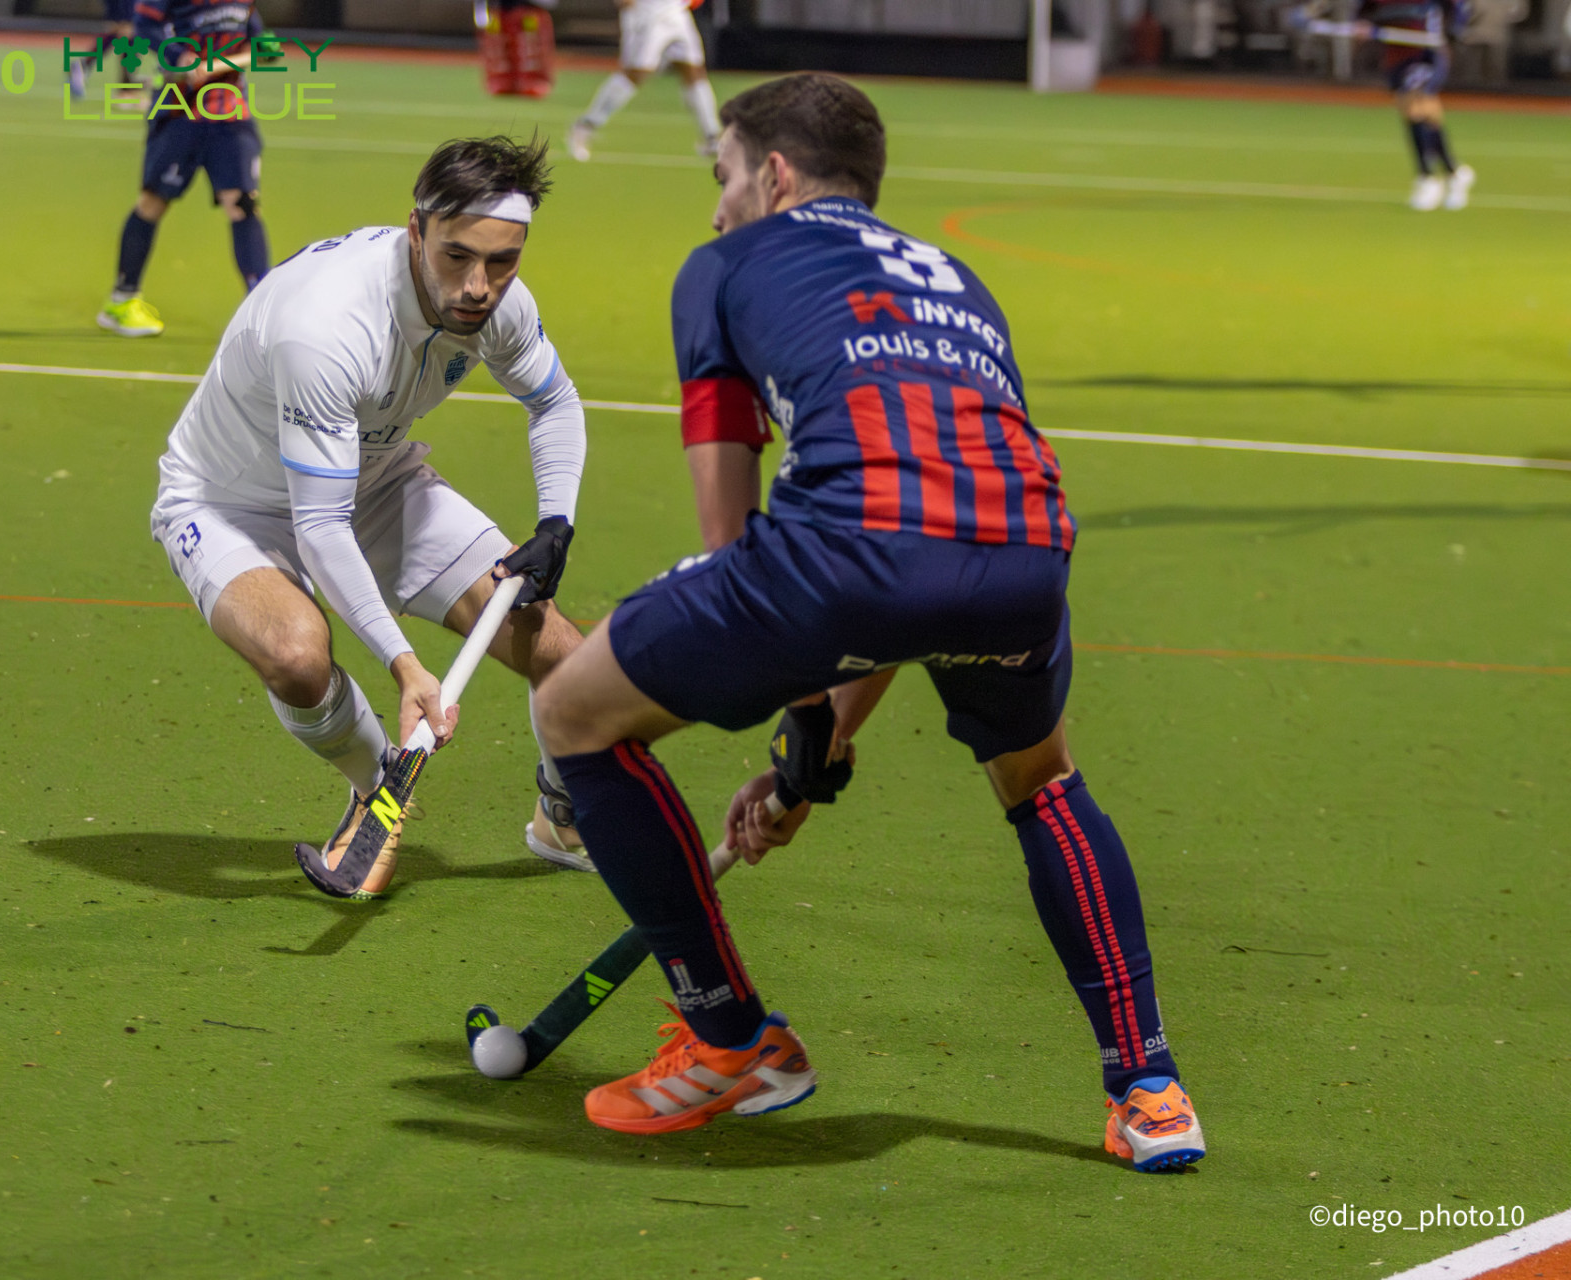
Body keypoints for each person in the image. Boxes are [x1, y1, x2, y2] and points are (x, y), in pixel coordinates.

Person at [532, 74, 1207, 1172]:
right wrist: (808, 762)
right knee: (1042, 781)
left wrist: (804, 716)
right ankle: (1150, 1090)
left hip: (851, 558)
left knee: (573, 711)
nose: (717, 205)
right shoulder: (957, 277)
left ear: (774, 175)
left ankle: (732, 1041)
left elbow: (734, 534)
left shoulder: (722, 266)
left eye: (723, 175)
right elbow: (920, 555)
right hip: (1025, 559)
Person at [151, 135, 593, 896]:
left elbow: (553, 402)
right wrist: (404, 664)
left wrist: (556, 522)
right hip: (230, 501)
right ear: (416, 230)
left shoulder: (500, 303)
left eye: (503, 262)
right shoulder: (327, 325)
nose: (479, 287)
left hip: (374, 481)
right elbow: (320, 526)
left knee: (561, 657)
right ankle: (374, 785)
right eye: (457, 256)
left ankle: (561, 814)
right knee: (296, 656)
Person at [96, 0, 271, 337]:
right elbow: (144, 27)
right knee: (152, 204)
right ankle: (121, 301)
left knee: (243, 203)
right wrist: (178, 55)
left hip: (231, 114)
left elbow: (259, 41)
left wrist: (251, 51)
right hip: (179, 113)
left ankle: (262, 307)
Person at [567, 0, 720, 162]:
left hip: (677, 10)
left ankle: (711, 136)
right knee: (636, 74)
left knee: (694, 71)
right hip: (647, 12)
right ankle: (585, 126)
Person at [1361, 0, 1475, 210]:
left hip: (1427, 53)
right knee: (1425, 113)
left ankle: (1426, 177)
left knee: (1414, 107)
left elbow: (1458, 7)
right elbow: (1365, 12)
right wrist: (1363, 26)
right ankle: (1454, 172)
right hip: (1396, 55)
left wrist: (1454, 31)